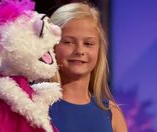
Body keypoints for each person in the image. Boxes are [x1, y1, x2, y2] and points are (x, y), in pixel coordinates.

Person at [49, 2, 127, 132]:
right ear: (52, 46)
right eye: (68, 42)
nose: (80, 50)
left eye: (88, 43)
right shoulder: (32, 106)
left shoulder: (112, 114)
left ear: (99, 50)